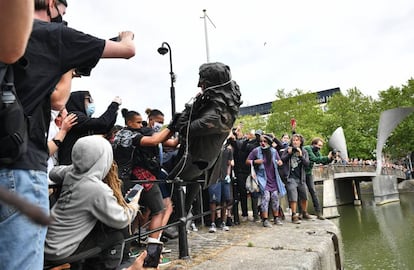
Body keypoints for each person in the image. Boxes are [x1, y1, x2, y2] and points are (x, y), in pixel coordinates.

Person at [0, 1, 136, 268]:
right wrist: (126, 35)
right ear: (52, 4)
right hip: (21, 169)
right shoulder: (55, 36)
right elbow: (127, 51)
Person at [45, 136, 140, 270]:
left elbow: (53, 173)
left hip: (50, 242)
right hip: (61, 250)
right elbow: (121, 219)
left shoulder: (71, 174)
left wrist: (81, 164)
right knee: (116, 235)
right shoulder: (96, 189)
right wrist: (134, 204)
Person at [171, 62, 242, 216]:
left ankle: (177, 219)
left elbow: (183, 128)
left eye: (202, 81)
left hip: (193, 161)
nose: (199, 85)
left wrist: (191, 107)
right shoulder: (220, 107)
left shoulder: (215, 116)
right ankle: (180, 217)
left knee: (166, 185)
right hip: (200, 159)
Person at [112, 109, 178, 248]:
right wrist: (174, 125)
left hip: (120, 179)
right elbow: (155, 140)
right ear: (129, 122)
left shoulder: (119, 135)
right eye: (137, 122)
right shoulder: (132, 135)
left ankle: (127, 249)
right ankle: (152, 251)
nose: (141, 125)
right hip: (138, 177)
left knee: (131, 212)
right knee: (159, 210)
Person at [58, 91, 121, 165]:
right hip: (70, 165)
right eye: (89, 100)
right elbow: (101, 123)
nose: (91, 103)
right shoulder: (74, 116)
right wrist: (114, 105)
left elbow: (104, 128)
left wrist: (114, 113)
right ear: (78, 101)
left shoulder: (82, 118)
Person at [247, 134, 284, 227]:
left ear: (269, 142)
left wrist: (279, 162)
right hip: (262, 178)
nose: (262, 143)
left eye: (265, 141)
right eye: (261, 141)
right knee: (266, 197)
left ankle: (276, 218)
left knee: (275, 197)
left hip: (273, 178)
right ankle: (265, 219)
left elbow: (280, 161)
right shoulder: (256, 151)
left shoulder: (274, 151)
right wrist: (255, 161)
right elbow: (247, 161)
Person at [280, 134, 310, 224]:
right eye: (294, 140)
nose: (295, 142)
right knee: (293, 197)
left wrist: (300, 155)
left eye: (297, 140)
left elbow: (307, 164)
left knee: (304, 196)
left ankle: (304, 212)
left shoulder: (304, 151)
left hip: (301, 178)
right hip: (290, 177)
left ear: (300, 142)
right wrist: (289, 154)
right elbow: (282, 160)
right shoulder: (287, 150)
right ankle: (294, 215)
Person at [303, 137, 334, 220]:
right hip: (301, 173)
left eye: (321, 146)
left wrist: (331, 158)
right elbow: (314, 159)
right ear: (314, 144)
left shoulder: (316, 151)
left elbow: (321, 161)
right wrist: (327, 157)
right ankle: (302, 212)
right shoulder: (307, 148)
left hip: (308, 173)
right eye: (319, 145)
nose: (320, 147)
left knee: (313, 192)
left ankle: (319, 213)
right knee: (302, 193)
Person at [208, 140, 233, 233]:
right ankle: (213, 223)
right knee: (213, 200)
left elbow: (229, 164)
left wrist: (228, 174)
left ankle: (223, 222)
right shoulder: (212, 148)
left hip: (224, 177)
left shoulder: (228, 150)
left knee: (225, 199)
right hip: (214, 177)